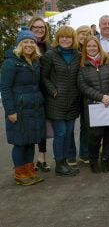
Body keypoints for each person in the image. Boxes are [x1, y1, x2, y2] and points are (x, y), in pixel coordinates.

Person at [1, 27, 46, 185]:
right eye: (25, 42)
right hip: (19, 109)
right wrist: (10, 111)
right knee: (20, 142)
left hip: (34, 108)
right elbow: (5, 88)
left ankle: (29, 171)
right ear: (19, 45)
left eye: (31, 42)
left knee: (30, 141)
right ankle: (20, 174)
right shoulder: (11, 63)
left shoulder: (35, 61)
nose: (29, 45)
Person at [41, 25, 82, 176]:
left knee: (69, 132)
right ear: (58, 39)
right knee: (61, 133)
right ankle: (59, 164)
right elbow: (43, 77)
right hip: (56, 101)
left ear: (73, 39)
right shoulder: (50, 55)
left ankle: (65, 163)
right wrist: (53, 91)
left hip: (72, 101)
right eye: (62, 37)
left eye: (68, 37)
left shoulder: (78, 55)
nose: (65, 39)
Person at [77, 37, 109, 173]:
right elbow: (82, 85)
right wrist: (100, 97)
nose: (91, 48)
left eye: (94, 46)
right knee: (95, 136)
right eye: (88, 46)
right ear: (85, 49)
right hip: (93, 105)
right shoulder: (82, 64)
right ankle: (93, 160)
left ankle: (105, 160)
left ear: (99, 47)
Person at [27, 17, 51, 172]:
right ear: (30, 28)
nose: (39, 29)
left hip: (45, 91)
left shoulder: (47, 47)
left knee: (43, 126)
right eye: (35, 27)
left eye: (42, 27)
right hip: (30, 91)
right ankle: (27, 163)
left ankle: (41, 158)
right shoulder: (26, 45)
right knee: (29, 126)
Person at [75, 25, 92, 165]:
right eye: (81, 33)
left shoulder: (90, 49)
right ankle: (71, 154)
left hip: (87, 92)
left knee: (87, 124)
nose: (84, 36)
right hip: (73, 92)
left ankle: (85, 153)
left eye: (87, 34)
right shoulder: (73, 50)